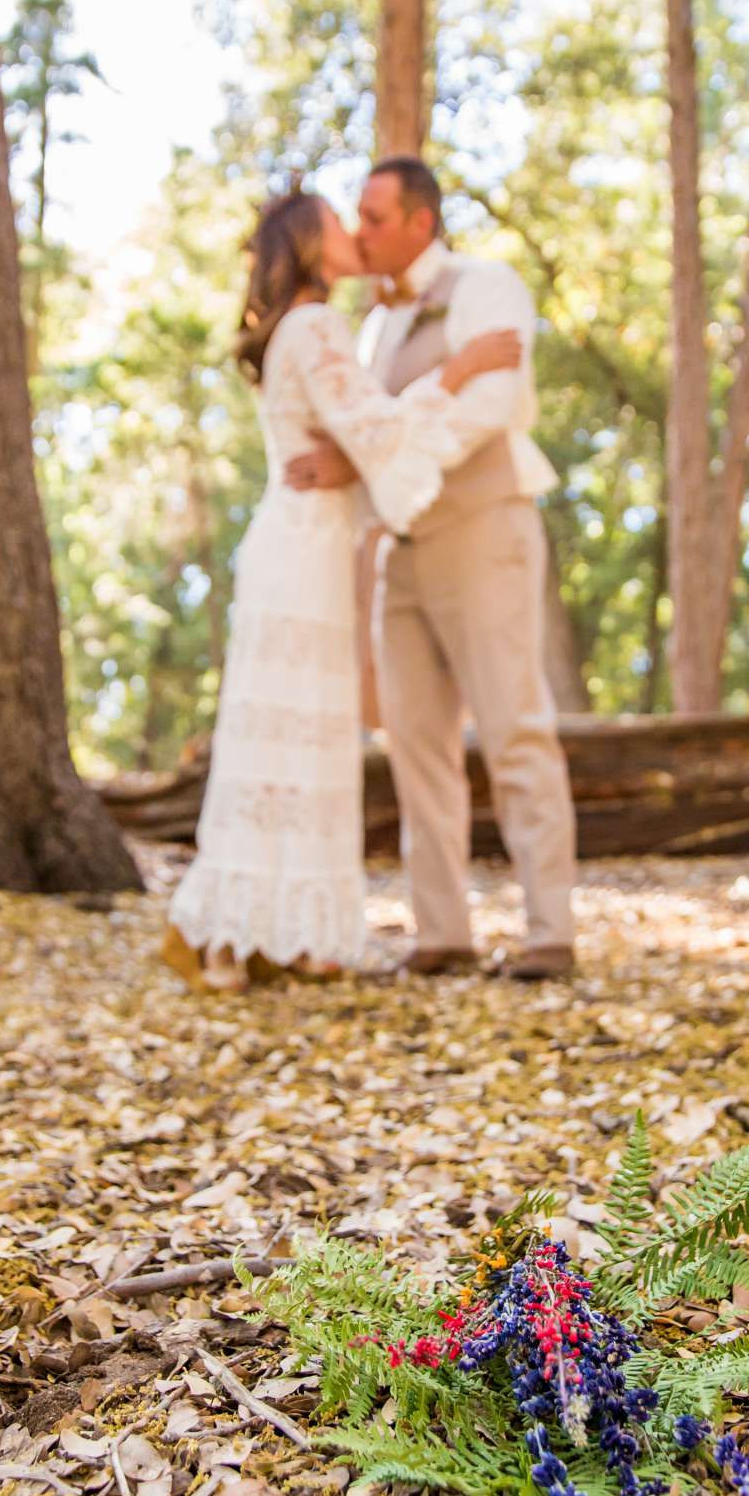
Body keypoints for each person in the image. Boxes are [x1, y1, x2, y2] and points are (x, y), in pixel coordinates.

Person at [163, 189, 523, 991]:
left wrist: (357, 463)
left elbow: (360, 445)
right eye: (339, 222)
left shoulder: (299, 328)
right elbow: (380, 432)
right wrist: (461, 367)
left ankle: (270, 935)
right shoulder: (318, 324)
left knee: (301, 739)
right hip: (303, 549)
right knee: (294, 737)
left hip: (308, 541)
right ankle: (239, 933)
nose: (354, 233)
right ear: (310, 245)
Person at [285, 157, 577, 981]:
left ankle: (550, 931)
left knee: (515, 728)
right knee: (415, 743)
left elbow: (491, 408)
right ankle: (441, 933)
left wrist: (383, 461)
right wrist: (376, 468)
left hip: (483, 530)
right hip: (396, 552)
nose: (360, 232)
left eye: (374, 217)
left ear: (421, 219)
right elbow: (368, 430)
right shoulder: (373, 328)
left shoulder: (485, 286)